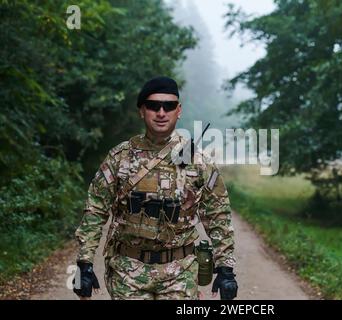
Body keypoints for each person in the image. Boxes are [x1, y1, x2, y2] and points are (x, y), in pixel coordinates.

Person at [73, 76, 237, 300]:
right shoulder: (120, 157)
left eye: (168, 106)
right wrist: (84, 262)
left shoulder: (198, 161)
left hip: (179, 273)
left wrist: (226, 269)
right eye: (153, 106)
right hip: (127, 272)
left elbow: (218, 214)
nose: (161, 112)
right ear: (142, 111)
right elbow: (95, 208)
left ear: (178, 110)